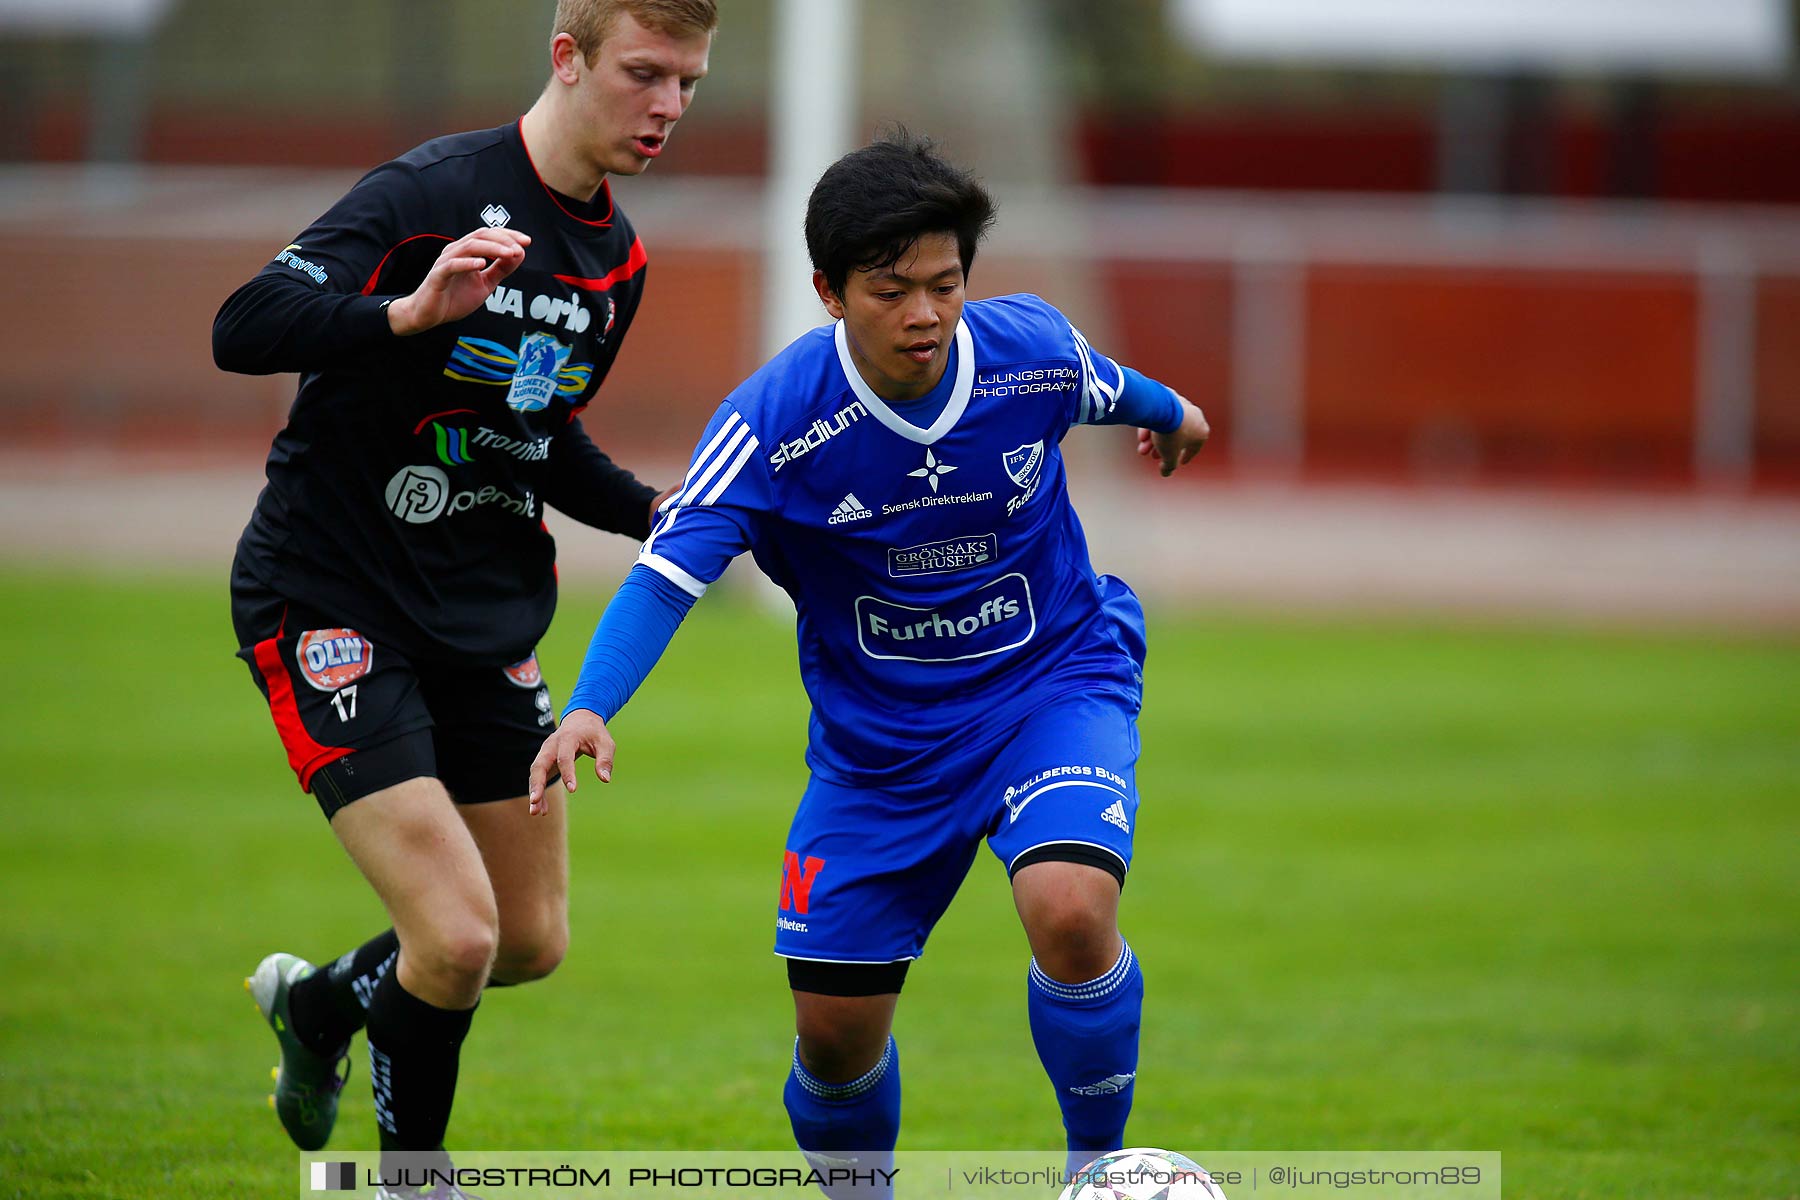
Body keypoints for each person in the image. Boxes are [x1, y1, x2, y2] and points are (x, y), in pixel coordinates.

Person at [529, 132, 1210, 1188]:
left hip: (1054, 681)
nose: (927, 312)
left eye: (944, 284)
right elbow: (668, 577)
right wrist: (586, 705)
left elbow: (1116, 387)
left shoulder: (1025, 346)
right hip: (880, 752)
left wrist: (1179, 416)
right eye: (892, 290)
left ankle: (1099, 1171)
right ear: (829, 292)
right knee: (835, 1038)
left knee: (1072, 909)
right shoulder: (773, 425)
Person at [213, 0, 716, 1188]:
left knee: (528, 943)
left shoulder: (617, 261)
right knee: (456, 935)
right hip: (331, 595)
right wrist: (404, 313)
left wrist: (674, 516)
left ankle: (327, 1006)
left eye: (688, 83)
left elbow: (533, 435)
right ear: (567, 57)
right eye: (644, 73)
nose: (668, 107)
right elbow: (245, 325)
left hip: (483, 614)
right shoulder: (430, 195)